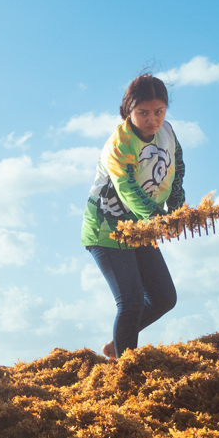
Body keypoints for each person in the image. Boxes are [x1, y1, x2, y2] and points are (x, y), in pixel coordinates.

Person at [81, 73, 184, 359]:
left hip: (141, 227)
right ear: (129, 110)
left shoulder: (168, 133)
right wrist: (155, 216)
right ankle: (126, 368)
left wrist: (176, 208)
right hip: (107, 228)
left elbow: (177, 172)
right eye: (143, 113)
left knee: (164, 297)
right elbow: (126, 187)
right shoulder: (120, 142)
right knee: (131, 301)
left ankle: (118, 342)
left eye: (158, 111)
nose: (152, 119)